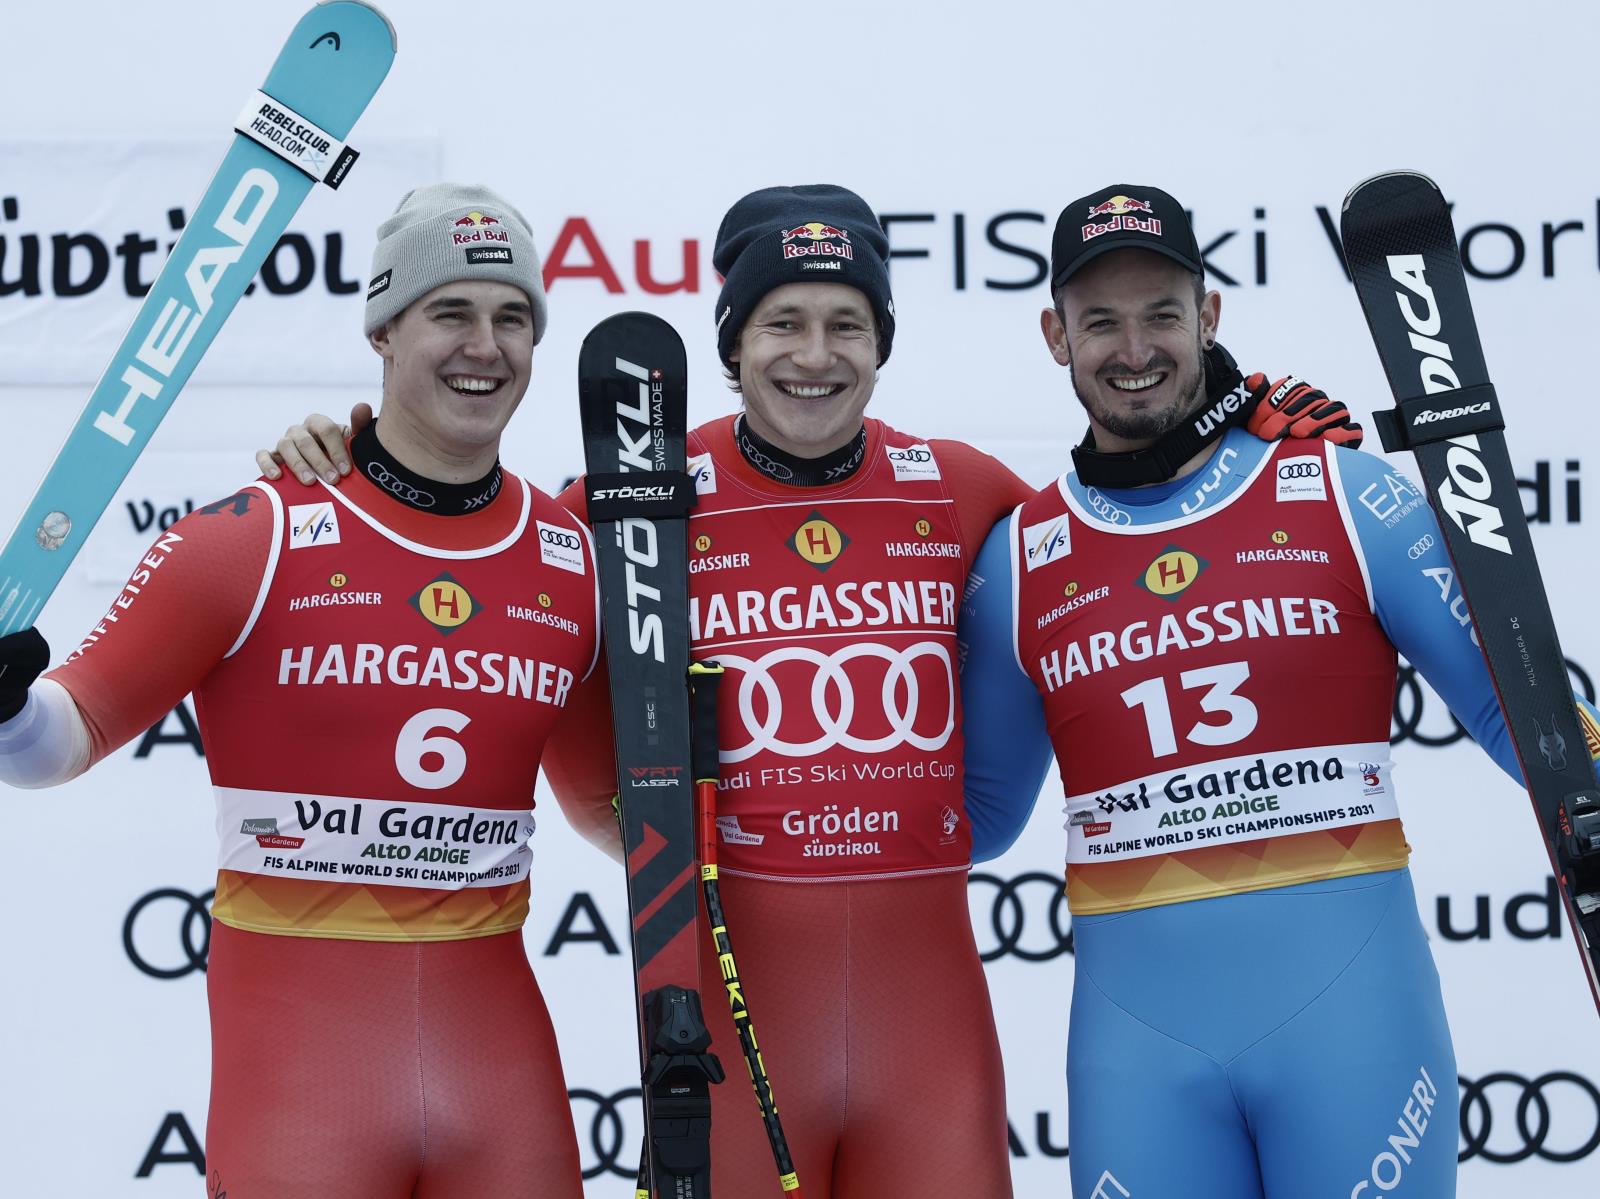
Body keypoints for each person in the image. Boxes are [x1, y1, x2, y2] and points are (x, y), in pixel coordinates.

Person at [262, 182, 1367, 1198]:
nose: (815, 355)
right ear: (732, 344)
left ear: (881, 344)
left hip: (927, 1043)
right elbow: (478, 577)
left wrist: (1244, 422)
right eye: (781, 323)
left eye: (847, 324)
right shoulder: (629, 503)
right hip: (732, 1035)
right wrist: (350, 454)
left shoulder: (966, 491)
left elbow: (1135, 531)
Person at [958, 183, 1600, 1199]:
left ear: (1208, 315)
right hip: (1140, 1059)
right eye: (1101, 320)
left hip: (1353, 1036)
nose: (1135, 347)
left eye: (1162, 313)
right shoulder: (1023, 557)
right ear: (1055, 334)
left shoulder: (1342, 492)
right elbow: (979, 818)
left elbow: (1525, 722)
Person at [0, 184, 600, 1198]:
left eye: (513, 318)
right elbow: (62, 738)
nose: (485, 345)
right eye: (450, 311)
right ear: (383, 328)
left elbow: (616, 808)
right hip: (303, 1095)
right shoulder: (253, 535)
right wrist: (10, 706)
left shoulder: (571, 557)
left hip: (501, 1089)